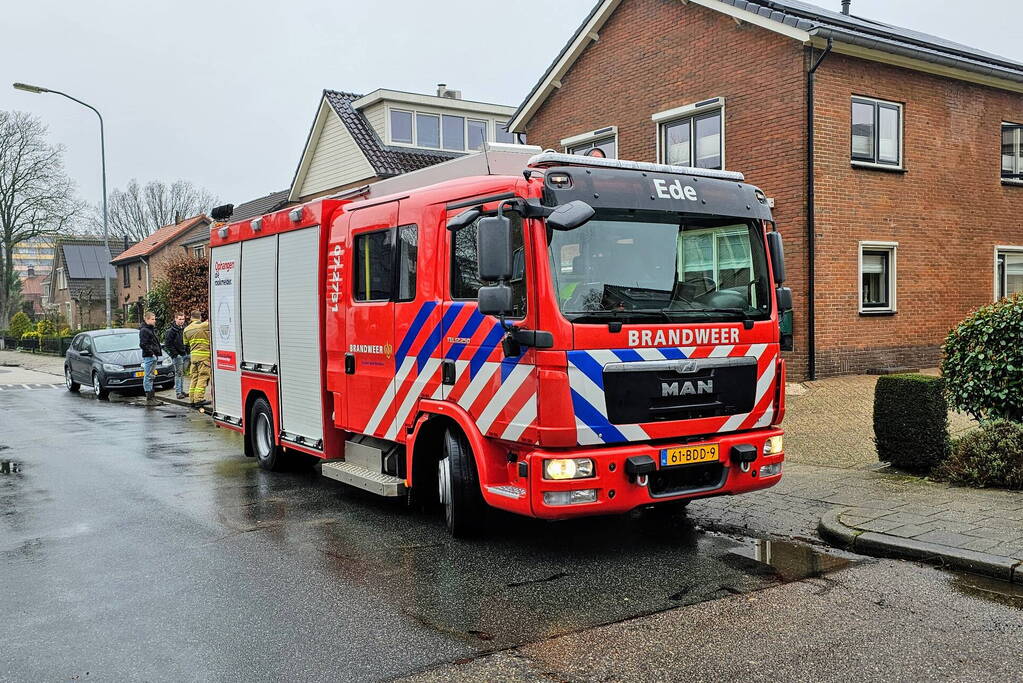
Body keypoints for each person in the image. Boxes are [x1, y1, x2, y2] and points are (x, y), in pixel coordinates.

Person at [183, 310, 211, 409]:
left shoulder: (186, 329)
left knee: (194, 378)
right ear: (200, 317)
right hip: (204, 357)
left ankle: (192, 400)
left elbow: (186, 343)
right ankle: (199, 399)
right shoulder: (203, 326)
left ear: (191, 318)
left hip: (193, 358)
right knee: (203, 377)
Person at [138, 311, 163, 406]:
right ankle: (149, 398)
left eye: (154, 319)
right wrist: (151, 353)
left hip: (152, 356)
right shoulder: (144, 330)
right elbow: (143, 344)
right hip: (149, 356)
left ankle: (152, 397)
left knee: (151, 376)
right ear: (147, 319)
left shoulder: (150, 329)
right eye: (152, 319)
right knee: (148, 376)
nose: (154, 321)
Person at [164, 312, 190, 399]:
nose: (181, 321)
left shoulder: (185, 329)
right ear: (175, 319)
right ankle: (178, 392)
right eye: (179, 319)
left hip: (185, 354)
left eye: (183, 319)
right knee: (178, 374)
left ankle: (182, 391)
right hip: (178, 356)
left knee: (182, 374)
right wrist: (175, 354)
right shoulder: (171, 331)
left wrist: (187, 351)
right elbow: (168, 344)